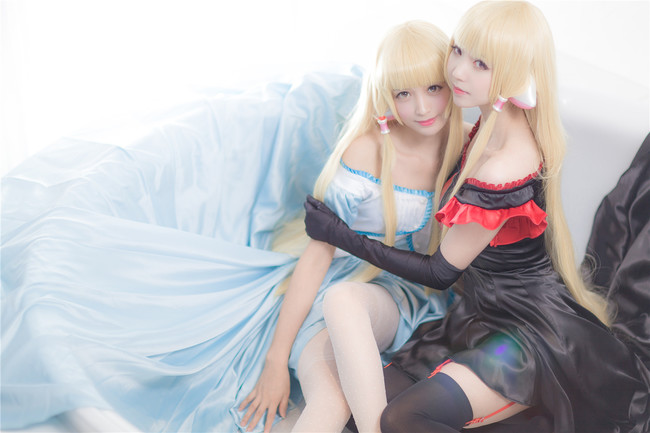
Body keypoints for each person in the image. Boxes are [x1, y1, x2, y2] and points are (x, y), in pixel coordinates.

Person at [303, 2, 650, 432]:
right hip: (479, 316)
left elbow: (438, 271)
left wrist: (339, 234)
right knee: (364, 412)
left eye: (481, 64)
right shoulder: (489, 126)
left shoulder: (502, 164)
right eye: (458, 51)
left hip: (527, 336)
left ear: (513, 73)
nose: (458, 72)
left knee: (401, 418)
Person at [239, 20, 467, 433]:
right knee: (331, 398)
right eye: (404, 93)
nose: (422, 108)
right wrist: (276, 360)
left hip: (409, 297)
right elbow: (318, 255)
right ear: (386, 95)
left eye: (434, 87)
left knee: (347, 323)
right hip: (339, 287)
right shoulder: (367, 151)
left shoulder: (467, 143)